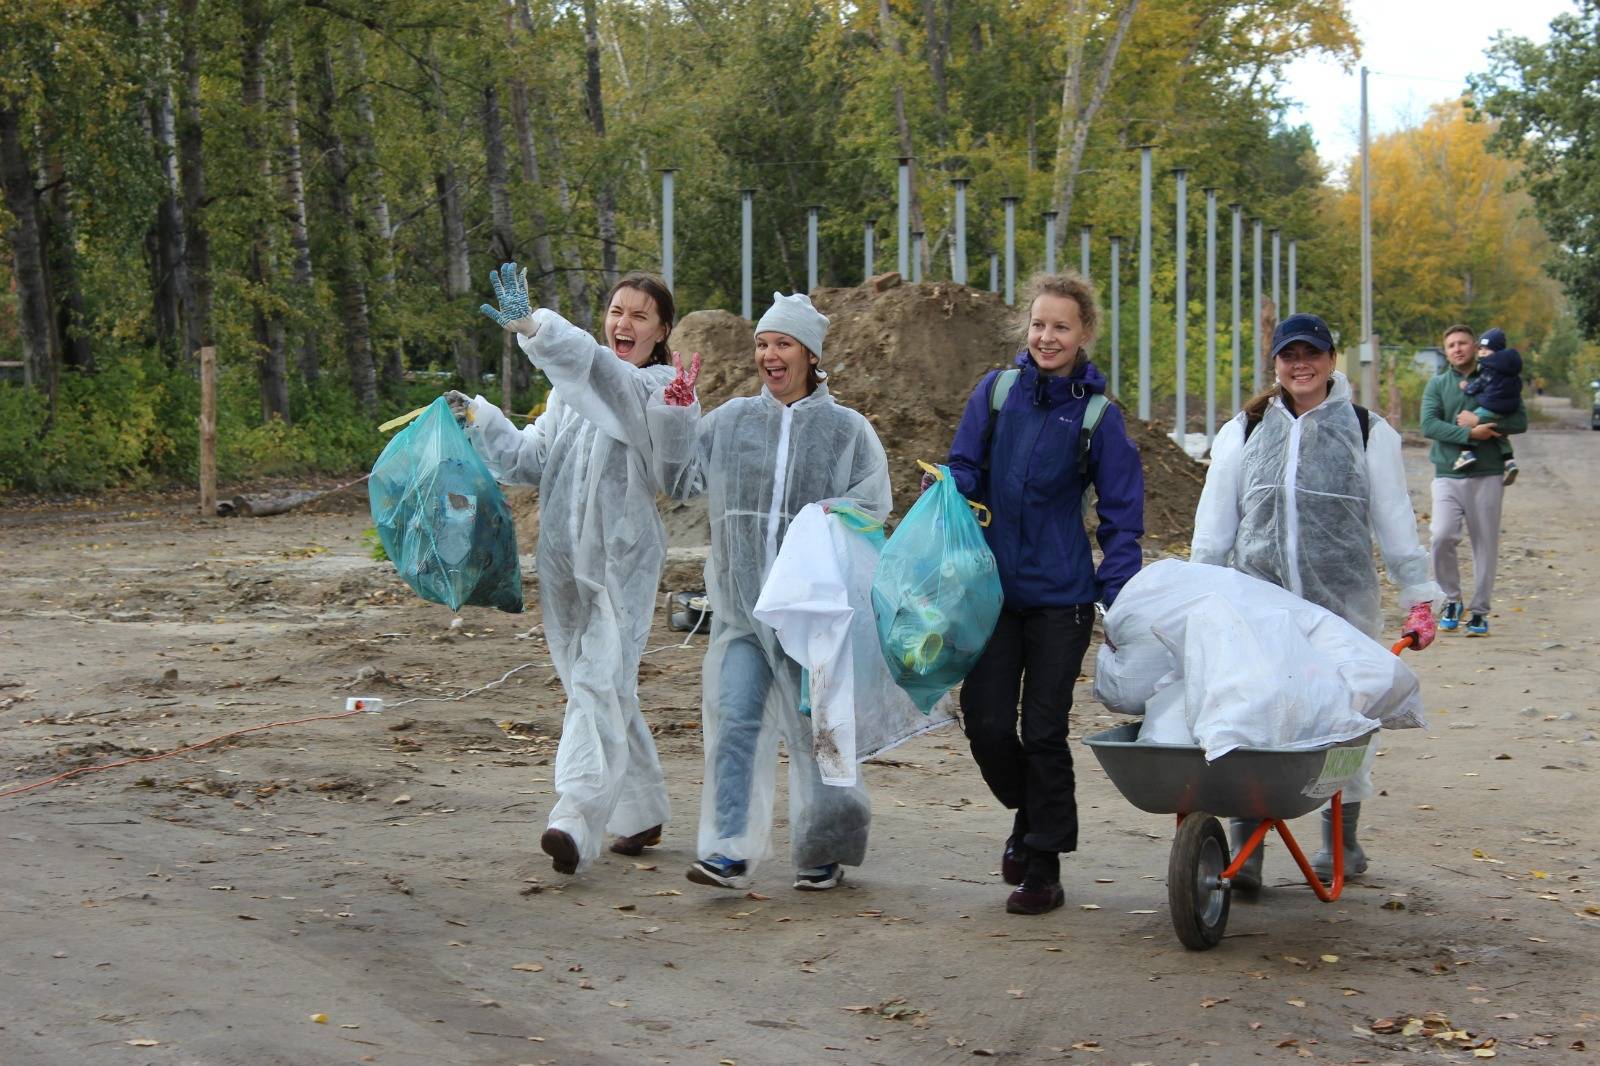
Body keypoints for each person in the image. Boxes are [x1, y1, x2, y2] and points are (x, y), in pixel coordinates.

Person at [646, 292, 891, 892]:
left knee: (820, 737)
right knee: (733, 723)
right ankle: (727, 851)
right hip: (740, 614)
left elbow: (873, 505)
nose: (769, 355)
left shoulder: (847, 431)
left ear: (809, 354)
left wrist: (828, 518)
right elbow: (678, 481)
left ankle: (823, 848)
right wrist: (676, 418)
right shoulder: (730, 422)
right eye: (762, 343)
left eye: (782, 343)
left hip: (810, 620)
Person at [1191, 312, 1441, 888]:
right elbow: (1214, 524)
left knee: (1343, 722)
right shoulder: (1245, 431)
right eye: (1288, 355)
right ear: (1275, 363)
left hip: (1341, 608)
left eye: (1312, 353)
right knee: (1252, 716)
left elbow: (1395, 519)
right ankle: (1244, 850)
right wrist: (1199, 589)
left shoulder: (1366, 429)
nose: (1300, 364)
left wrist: (1417, 595)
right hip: (1260, 606)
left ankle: (1342, 842)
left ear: (1332, 361)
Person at [461, 263, 677, 877]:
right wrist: (479, 418)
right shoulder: (567, 391)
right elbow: (531, 460)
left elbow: (601, 378)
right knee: (605, 687)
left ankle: (575, 819)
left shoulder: (657, 393)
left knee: (594, 684)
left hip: (620, 567)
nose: (623, 322)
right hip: (561, 565)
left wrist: (538, 328)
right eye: (615, 310)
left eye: (640, 314)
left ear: (662, 331)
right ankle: (640, 810)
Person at [944, 273, 1146, 916]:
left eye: (1061, 326)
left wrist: (1119, 598)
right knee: (987, 725)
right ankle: (1031, 813)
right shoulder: (996, 392)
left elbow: (1121, 518)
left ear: (1083, 334)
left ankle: (1044, 863)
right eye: (1038, 324)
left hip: (1062, 597)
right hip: (993, 592)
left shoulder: (1098, 418)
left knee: (1044, 729)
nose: (1046, 337)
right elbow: (966, 465)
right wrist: (952, 493)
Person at [1421, 323, 1529, 637]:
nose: (1457, 348)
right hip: (1447, 474)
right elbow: (1429, 425)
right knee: (1440, 537)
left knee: (1485, 545)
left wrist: (1480, 420)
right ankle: (1452, 599)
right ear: (1446, 351)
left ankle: (1480, 611)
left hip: (1488, 472)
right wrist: (1470, 433)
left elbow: (1519, 420)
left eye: (1463, 343)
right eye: (1451, 344)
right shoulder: (1438, 384)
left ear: (1475, 347)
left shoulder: (1496, 378)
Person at [1452, 327, 1523, 483]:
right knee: (1500, 435)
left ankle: (1467, 452)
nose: (1482, 353)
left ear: (1496, 352)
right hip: (1508, 407)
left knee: (1466, 421)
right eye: (1481, 349)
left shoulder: (1490, 367)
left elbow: (1480, 384)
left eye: (1487, 349)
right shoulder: (1510, 369)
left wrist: (1467, 388)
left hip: (1492, 405)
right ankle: (1510, 462)